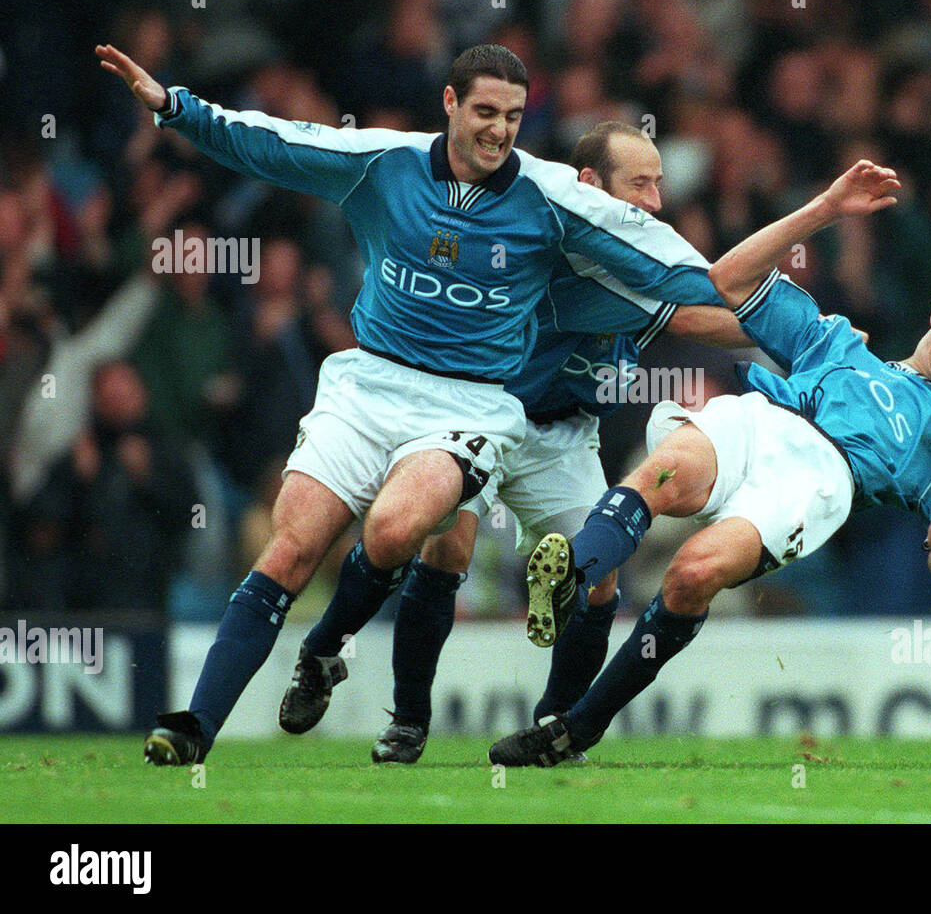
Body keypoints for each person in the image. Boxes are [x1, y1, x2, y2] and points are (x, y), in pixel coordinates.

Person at [96, 42, 724, 765]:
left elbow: (696, 282)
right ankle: (196, 727)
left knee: (398, 529)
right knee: (292, 546)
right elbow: (281, 145)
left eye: (514, 116)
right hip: (368, 382)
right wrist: (178, 109)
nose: (499, 129)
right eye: (485, 110)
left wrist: (810, 334)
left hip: (473, 403)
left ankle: (366, 659)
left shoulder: (555, 199)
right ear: (451, 104)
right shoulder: (384, 162)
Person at [489, 160, 931, 766]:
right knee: (660, 476)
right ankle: (573, 575)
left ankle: (576, 728)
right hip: (759, 420)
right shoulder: (837, 339)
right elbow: (729, 277)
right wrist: (825, 207)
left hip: (820, 482)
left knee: (692, 575)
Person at [278, 121, 755, 763]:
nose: (654, 201)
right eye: (639, 183)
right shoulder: (541, 246)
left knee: (600, 573)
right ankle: (406, 717)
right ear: (588, 185)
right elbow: (702, 311)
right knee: (447, 546)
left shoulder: (638, 263)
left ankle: (554, 723)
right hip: (480, 416)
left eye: (659, 184)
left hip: (562, 435)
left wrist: (806, 340)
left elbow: (706, 315)